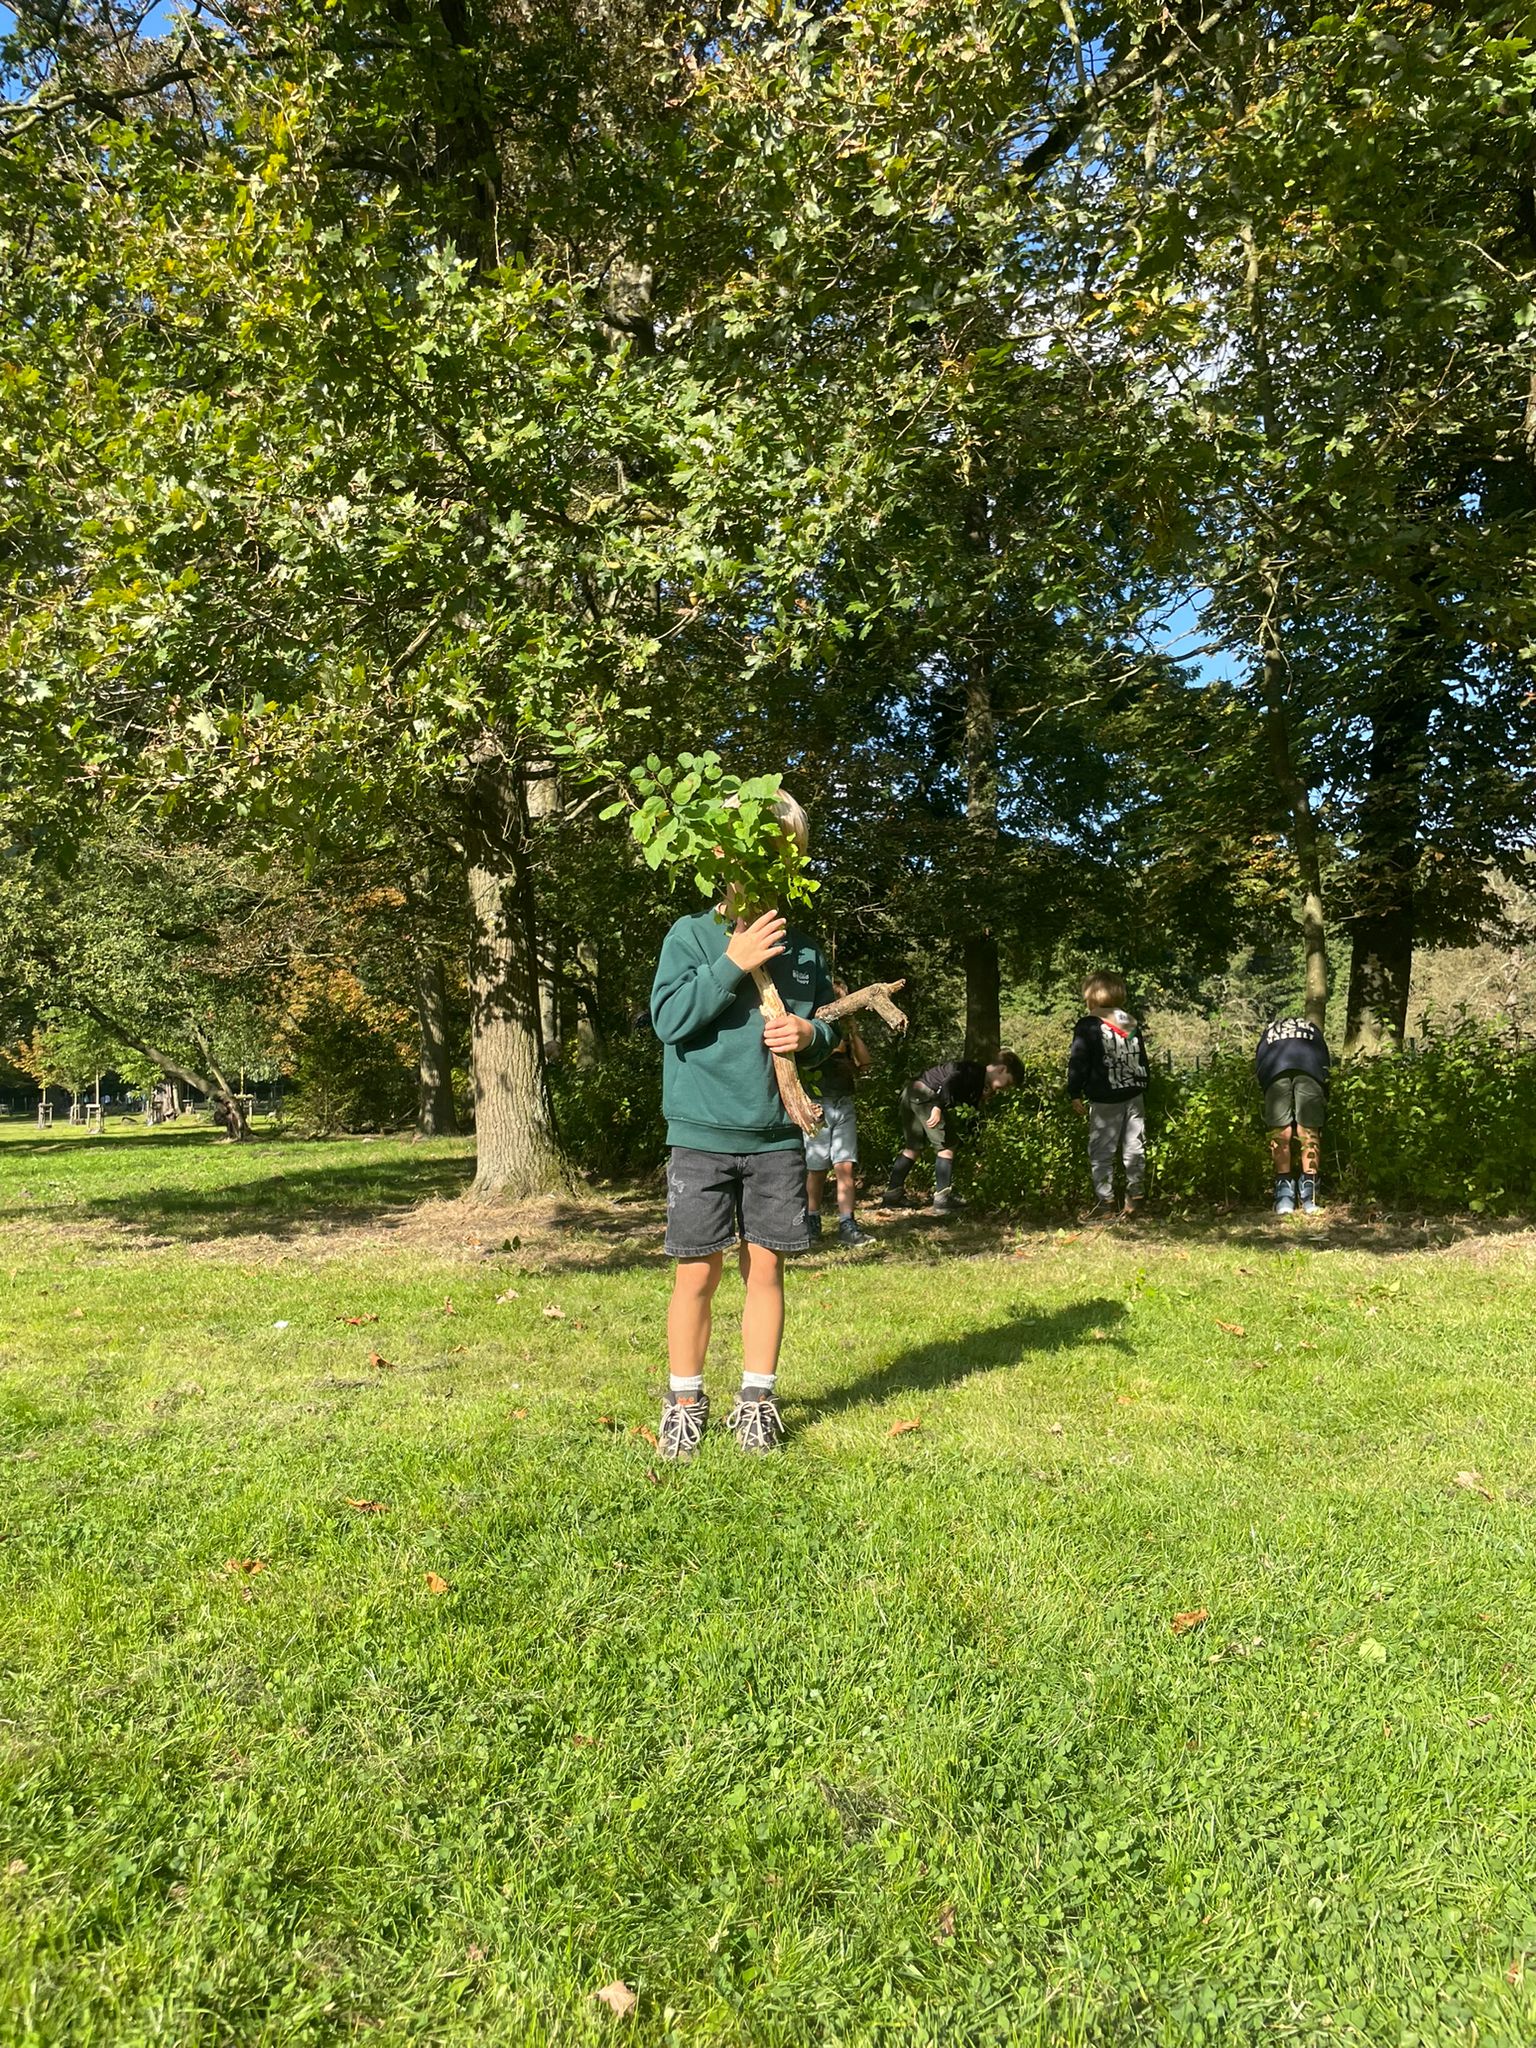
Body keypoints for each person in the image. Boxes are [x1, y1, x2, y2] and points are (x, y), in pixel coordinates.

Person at [648, 790, 835, 1461]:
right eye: (755, 844)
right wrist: (733, 960)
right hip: (701, 1131)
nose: (770, 858)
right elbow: (670, 1022)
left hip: (775, 1135)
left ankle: (756, 1400)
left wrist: (811, 1032)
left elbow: (825, 1031)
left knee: (766, 1270)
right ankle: (685, 1401)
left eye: (784, 847)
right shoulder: (690, 936)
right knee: (696, 1274)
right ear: (720, 852)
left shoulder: (805, 950)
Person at [880, 1051, 1025, 1215]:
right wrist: (937, 1106)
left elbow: (972, 1114)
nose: (1006, 1088)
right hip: (927, 1096)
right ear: (1001, 1070)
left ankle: (892, 1195)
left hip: (912, 1091)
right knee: (947, 1146)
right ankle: (942, 1199)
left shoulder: (978, 1080)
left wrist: (975, 1144)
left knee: (913, 1147)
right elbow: (949, 1081)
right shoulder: (973, 1071)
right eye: (1009, 1082)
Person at [1067, 972, 1152, 1221]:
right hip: (1134, 1093)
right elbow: (1142, 1057)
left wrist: (1074, 1091)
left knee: (1102, 1150)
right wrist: (1143, 1083)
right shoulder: (1129, 1022)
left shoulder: (1088, 1025)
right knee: (1135, 1145)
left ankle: (1104, 1204)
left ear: (1091, 995)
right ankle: (1135, 1197)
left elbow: (1079, 1061)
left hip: (1105, 1096)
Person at [803, 985, 872, 1248]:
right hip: (818, 1103)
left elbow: (865, 1062)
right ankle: (811, 1221)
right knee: (817, 1168)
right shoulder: (813, 1026)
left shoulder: (845, 1032)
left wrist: (852, 1031)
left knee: (845, 1166)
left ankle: (847, 1224)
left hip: (844, 1102)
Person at [1255, 1013, 1331, 1215]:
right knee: (1309, 1128)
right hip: (1311, 1068)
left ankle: (1285, 1193)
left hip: (1276, 1069)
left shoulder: (1271, 1029)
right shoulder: (1312, 1029)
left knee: (1281, 1129)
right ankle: (1309, 1193)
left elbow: (1259, 1065)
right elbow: (1325, 1063)